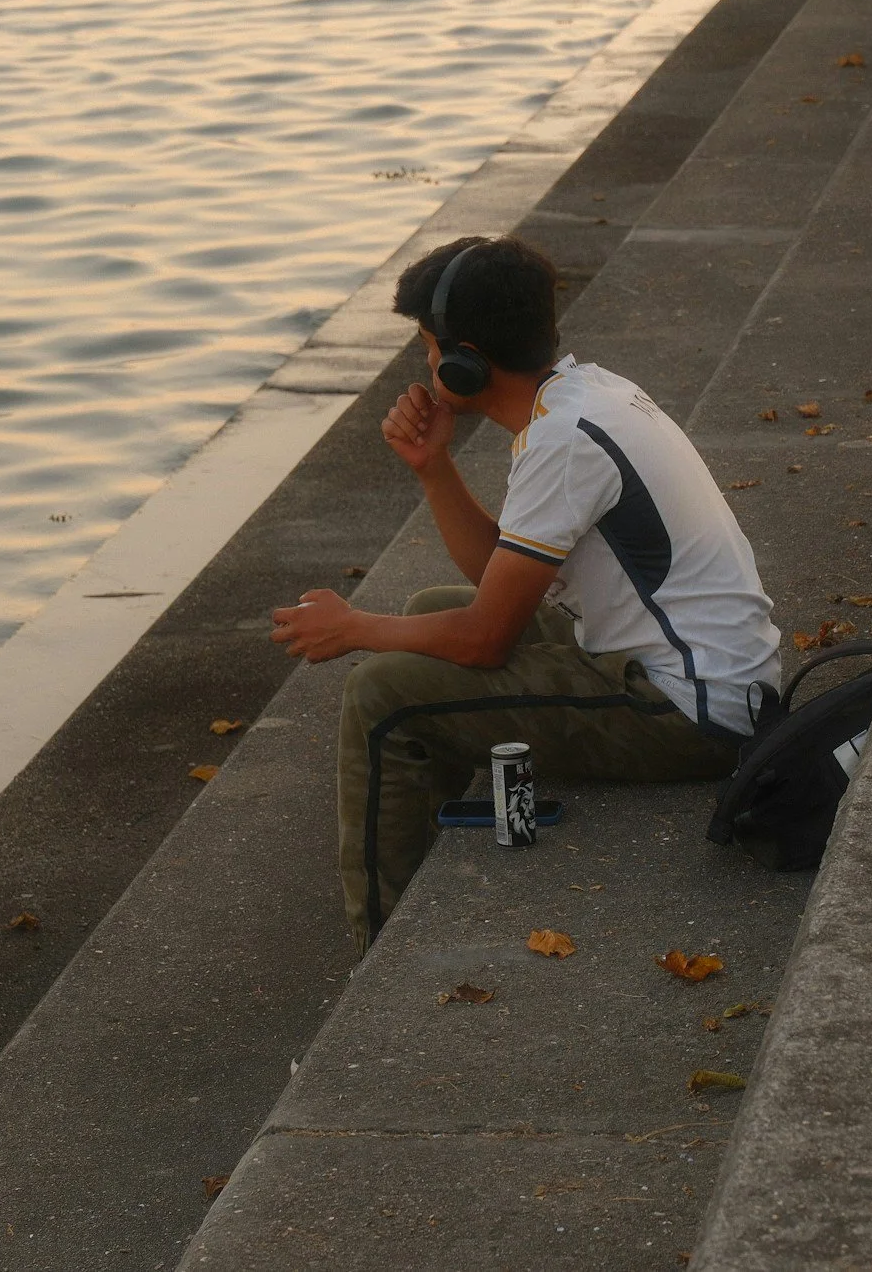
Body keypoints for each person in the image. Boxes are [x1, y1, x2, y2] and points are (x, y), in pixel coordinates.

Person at [269, 235, 781, 951]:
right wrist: (433, 466)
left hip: (689, 712)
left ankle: (382, 937)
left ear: (462, 360)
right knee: (425, 612)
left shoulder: (564, 441)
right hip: (717, 681)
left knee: (382, 696)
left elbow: (486, 637)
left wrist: (354, 626)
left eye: (427, 348)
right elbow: (494, 583)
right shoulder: (585, 395)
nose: (425, 365)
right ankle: (423, 854)